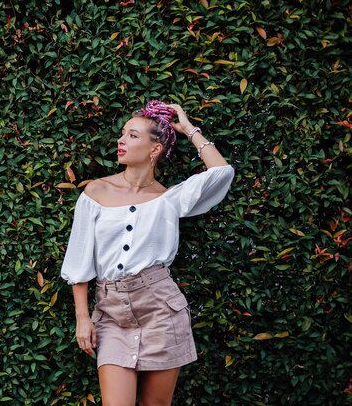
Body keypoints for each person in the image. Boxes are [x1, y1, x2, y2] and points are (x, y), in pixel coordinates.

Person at [60, 101, 234, 406]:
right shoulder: (95, 192)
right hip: (112, 313)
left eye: (132, 135)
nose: (121, 140)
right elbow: (79, 258)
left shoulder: (169, 199)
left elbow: (221, 173)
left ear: (155, 149)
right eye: (122, 134)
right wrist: (82, 317)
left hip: (161, 311)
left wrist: (188, 128)